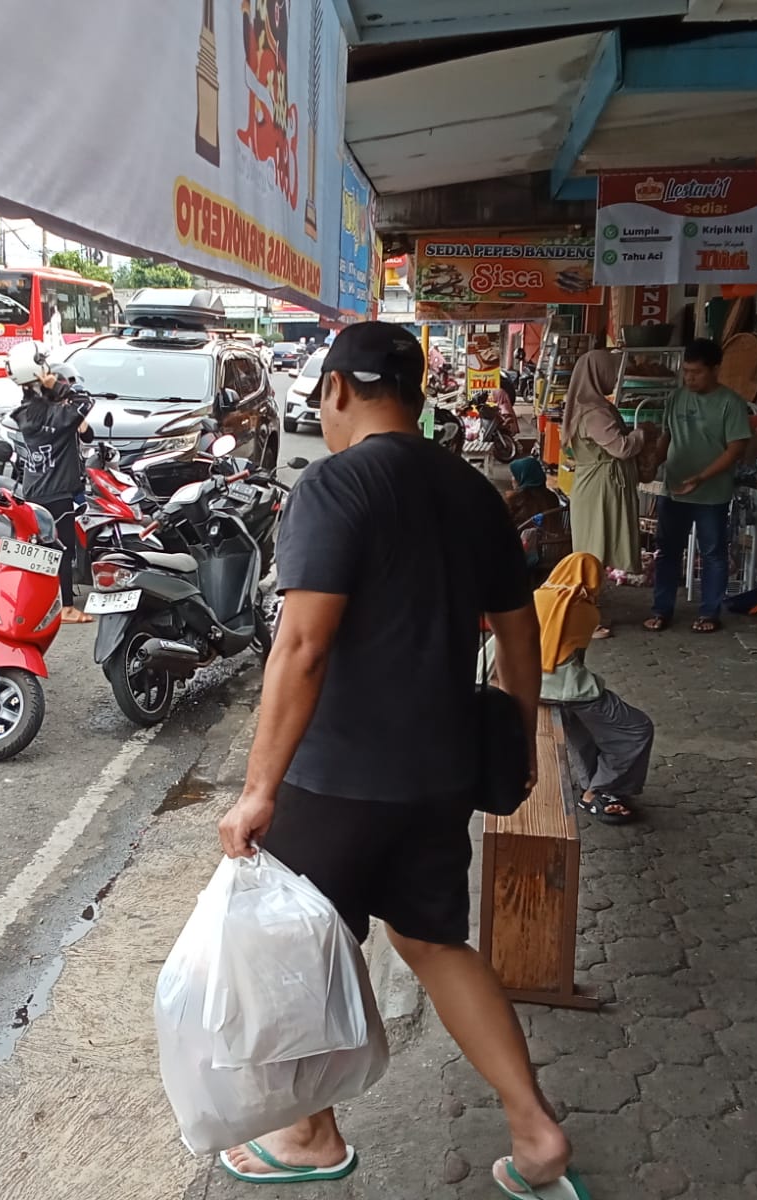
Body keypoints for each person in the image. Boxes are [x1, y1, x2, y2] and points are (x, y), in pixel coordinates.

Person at [215, 322, 582, 1198]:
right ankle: (535, 1133)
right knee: (432, 939)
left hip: (337, 778)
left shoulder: (334, 485)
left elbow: (301, 646)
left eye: (321, 397)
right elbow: (521, 633)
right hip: (440, 773)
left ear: (338, 389)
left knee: (301, 946)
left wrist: (258, 790)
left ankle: (311, 1133)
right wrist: (518, 738)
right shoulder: (473, 491)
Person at [537, 553, 655, 824]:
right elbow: (575, 659)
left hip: (530, 685)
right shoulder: (585, 611)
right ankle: (599, 790)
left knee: (580, 727)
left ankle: (593, 784)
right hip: (565, 689)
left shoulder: (535, 597)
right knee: (636, 729)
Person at [644, 338, 751, 634]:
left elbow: (736, 449)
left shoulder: (731, 403)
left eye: (697, 372)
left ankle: (709, 614)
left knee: (712, 553)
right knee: (667, 552)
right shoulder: (677, 398)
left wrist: (701, 477)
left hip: (711, 494)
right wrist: (654, 462)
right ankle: (661, 610)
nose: (689, 378)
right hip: (674, 489)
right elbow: (667, 436)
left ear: (715, 370)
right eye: (686, 372)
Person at [563, 348, 656, 638]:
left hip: (598, 483)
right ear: (597, 374)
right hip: (600, 487)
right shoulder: (594, 412)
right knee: (593, 551)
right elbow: (621, 448)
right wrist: (642, 433)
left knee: (596, 549)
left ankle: (589, 611)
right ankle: (584, 618)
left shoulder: (587, 406)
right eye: (611, 373)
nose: (614, 378)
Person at [9, 341, 94, 624]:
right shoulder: (55, 415)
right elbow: (86, 402)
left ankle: (36, 603)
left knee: (42, 550)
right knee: (62, 550)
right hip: (56, 491)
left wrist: (52, 393)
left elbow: (86, 432)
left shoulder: (28, 412)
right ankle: (66, 607)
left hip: (35, 488)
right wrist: (57, 387)